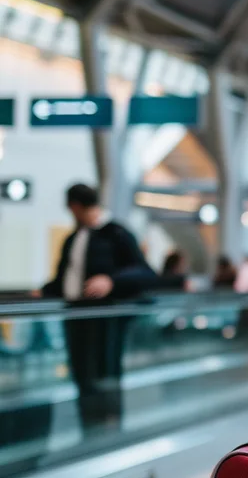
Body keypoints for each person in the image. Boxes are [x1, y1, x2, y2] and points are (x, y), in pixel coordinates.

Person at [41, 184, 157, 432]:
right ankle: (89, 427)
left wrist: (111, 280)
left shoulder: (116, 233)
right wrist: (42, 291)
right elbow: (64, 278)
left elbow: (145, 272)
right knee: (82, 374)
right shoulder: (74, 237)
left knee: (104, 373)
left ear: (75, 206)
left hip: (105, 321)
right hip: (75, 316)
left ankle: (108, 427)